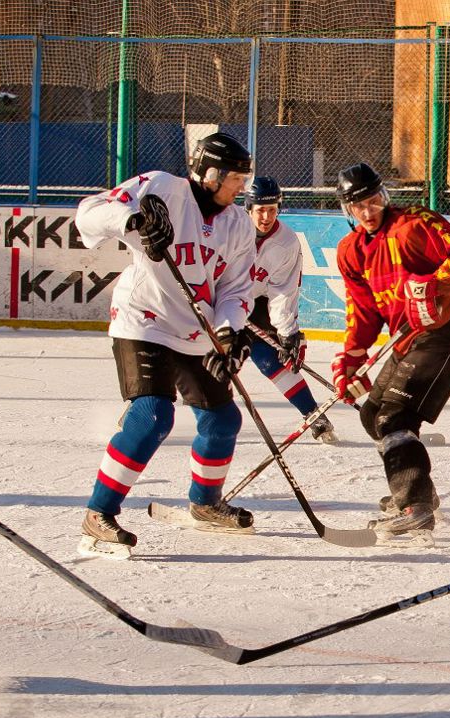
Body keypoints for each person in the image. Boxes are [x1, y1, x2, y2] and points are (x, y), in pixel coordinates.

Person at [75, 132, 259, 559]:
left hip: (195, 331)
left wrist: (229, 331)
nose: (241, 188)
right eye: (235, 179)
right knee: (153, 413)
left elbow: (235, 288)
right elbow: (88, 214)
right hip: (144, 320)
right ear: (209, 174)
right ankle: (98, 513)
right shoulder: (160, 187)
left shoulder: (236, 224)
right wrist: (132, 222)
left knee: (223, 420)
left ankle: (206, 502)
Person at [330, 163, 450, 545]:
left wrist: (434, 285)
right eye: (359, 206)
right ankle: (419, 493)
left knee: (395, 415)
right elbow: (364, 311)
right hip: (408, 339)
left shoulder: (414, 224)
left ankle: (414, 508)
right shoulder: (350, 251)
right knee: (373, 414)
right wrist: (352, 357)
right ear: (347, 210)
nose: (368, 212)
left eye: (373, 201)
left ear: (383, 196)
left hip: (449, 328)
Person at [238, 175, 337, 444]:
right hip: (221, 300)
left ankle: (314, 415)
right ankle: (150, 402)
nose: (266, 217)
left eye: (272, 209)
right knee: (200, 356)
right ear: (248, 209)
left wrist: (287, 331)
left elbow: (283, 290)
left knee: (272, 358)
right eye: (260, 210)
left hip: (258, 301)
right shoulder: (229, 229)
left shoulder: (287, 242)